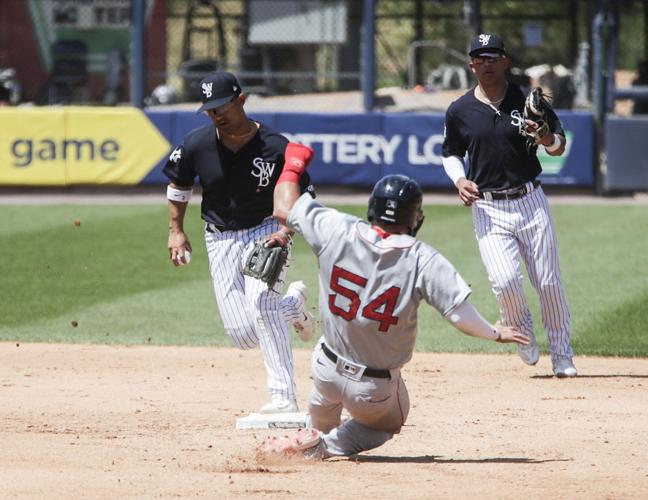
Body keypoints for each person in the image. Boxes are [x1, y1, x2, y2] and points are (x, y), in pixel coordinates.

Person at [258, 171, 529, 459]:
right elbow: (459, 316)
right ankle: (325, 446)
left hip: (324, 369)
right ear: (415, 218)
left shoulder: (338, 227)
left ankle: (314, 435)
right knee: (390, 422)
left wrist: (292, 163)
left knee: (325, 397)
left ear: (373, 208)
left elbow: (284, 208)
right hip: (372, 390)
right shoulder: (422, 257)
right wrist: (496, 332)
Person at [163, 71, 315, 414]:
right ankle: (292, 307)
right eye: (210, 110)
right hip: (219, 239)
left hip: (266, 232)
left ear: (241, 100)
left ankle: (283, 398)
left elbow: (301, 193)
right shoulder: (197, 144)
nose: (217, 116)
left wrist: (286, 231)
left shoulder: (275, 146)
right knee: (244, 335)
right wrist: (175, 229)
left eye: (222, 108)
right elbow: (178, 185)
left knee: (261, 304)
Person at [441, 33, 577, 377]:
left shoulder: (527, 99)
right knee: (503, 281)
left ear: (505, 61)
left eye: (492, 56)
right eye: (479, 57)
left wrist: (546, 136)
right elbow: (451, 153)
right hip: (488, 208)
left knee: (548, 282)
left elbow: (559, 145)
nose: (486, 63)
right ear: (471, 65)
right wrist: (459, 180)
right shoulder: (459, 110)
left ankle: (562, 354)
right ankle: (522, 329)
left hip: (530, 200)